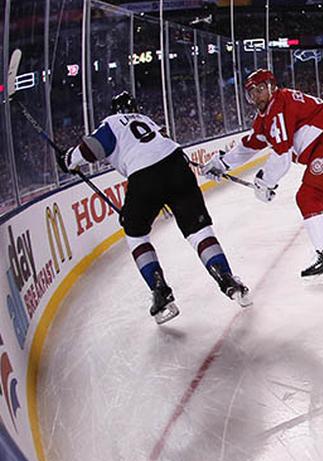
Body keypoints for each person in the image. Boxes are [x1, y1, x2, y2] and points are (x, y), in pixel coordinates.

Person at [57, 91, 250, 324]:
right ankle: (226, 278)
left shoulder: (113, 122)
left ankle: (160, 290)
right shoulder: (147, 121)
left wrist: (68, 160)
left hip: (144, 176)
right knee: (199, 232)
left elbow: (92, 148)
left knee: (136, 234)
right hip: (177, 165)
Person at [202, 69, 323, 279]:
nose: (256, 96)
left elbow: (282, 154)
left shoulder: (278, 106)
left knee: (307, 197)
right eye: (252, 93)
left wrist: (265, 182)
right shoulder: (268, 113)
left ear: (271, 87)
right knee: (319, 197)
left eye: (260, 89)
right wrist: (221, 163)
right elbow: (251, 143)